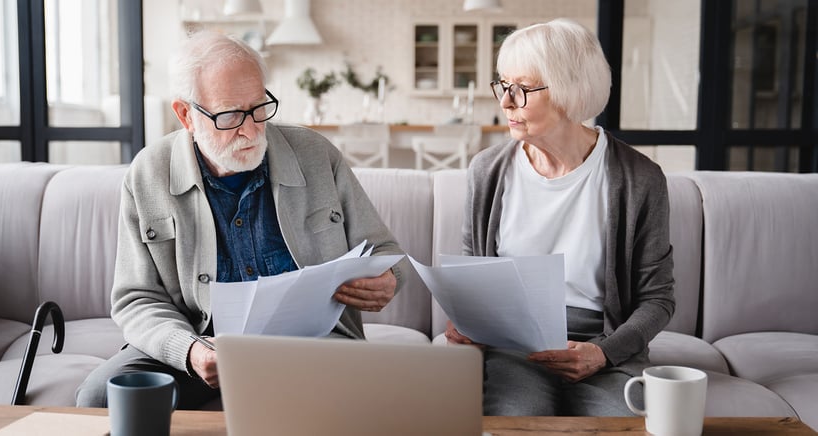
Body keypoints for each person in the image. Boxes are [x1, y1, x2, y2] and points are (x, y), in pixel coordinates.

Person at [76, 30, 407, 409]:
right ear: (186, 114)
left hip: (314, 347)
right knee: (100, 397)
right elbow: (136, 298)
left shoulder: (317, 155)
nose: (250, 129)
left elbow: (386, 252)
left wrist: (388, 281)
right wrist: (191, 352)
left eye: (258, 107)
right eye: (230, 115)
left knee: (374, 396)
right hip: (200, 345)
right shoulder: (147, 175)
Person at [445, 19, 675, 416]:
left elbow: (658, 299)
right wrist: (469, 323)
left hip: (605, 345)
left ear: (570, 90)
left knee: (616, 427)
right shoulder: (487, 171)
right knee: (513, 419)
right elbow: (474, 275)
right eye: (503, 84)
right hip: (513, 348)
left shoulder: (640, 178)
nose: (505, 102)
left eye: (522, 89)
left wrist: (603, 353)